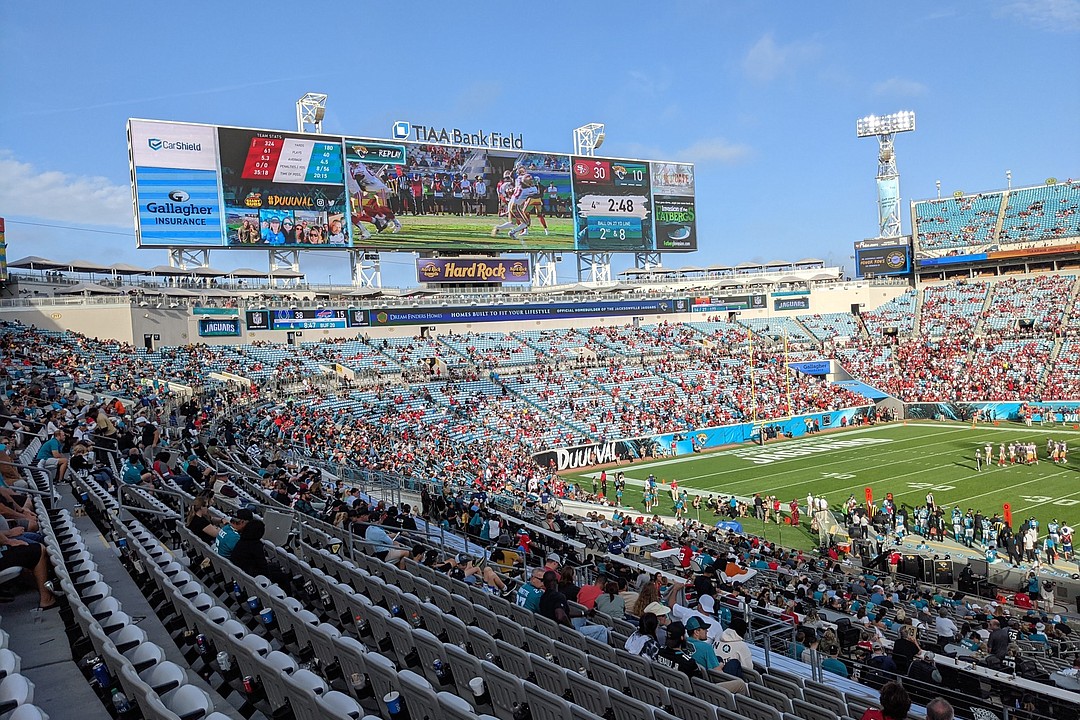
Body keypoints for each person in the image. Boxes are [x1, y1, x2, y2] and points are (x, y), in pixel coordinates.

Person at [538, 570, 608, 642]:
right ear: (556, 581)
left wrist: (583, 613)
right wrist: (571, 628)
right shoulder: (559, 596)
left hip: (555, 631)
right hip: (567, 633)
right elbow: (560, 616)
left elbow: (563, 612)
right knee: (602, 629)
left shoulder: (543, 597)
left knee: (581, 619)